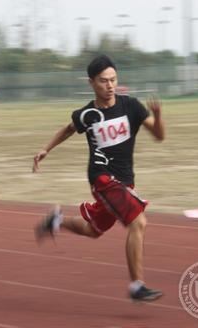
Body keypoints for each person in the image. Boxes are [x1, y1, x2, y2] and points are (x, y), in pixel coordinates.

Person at [32, 54, 165, 301]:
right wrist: (46, 149)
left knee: (93, 230)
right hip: (102, 178)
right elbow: (68, 129)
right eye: (103, 81)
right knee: (138, 221)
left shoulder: (131, 107)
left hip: (125, 181)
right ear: (91, 82)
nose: (110, 85)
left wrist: (158, 118)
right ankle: (137, 286)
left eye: (113, 79)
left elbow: (159, 136)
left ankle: (56, 221)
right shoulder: (88, 114)